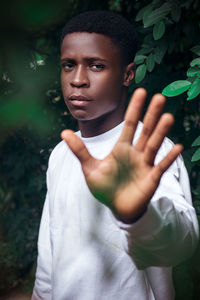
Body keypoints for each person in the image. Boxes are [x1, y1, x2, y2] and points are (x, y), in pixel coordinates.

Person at [32, 11, 199, 300]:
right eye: (68, 65)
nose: (78, 80)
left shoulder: (148, 152)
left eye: (96, 66)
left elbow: (180, 245)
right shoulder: (61, 152)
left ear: (127, 74)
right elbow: (50, 257)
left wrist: (137, 214)